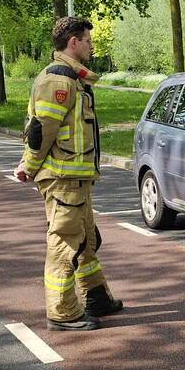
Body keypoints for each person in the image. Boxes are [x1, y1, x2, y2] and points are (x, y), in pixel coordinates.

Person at [14, 17, 122, 332]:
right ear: (73, 42)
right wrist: (28, 166)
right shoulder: (58, 80)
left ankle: (96, 297)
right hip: (63, 179)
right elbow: (41, 131)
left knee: (86, 240)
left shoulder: (73, 78)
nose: (92, 46)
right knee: (65, 244)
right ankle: (62, 313)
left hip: (75, 179)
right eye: (88, 40)